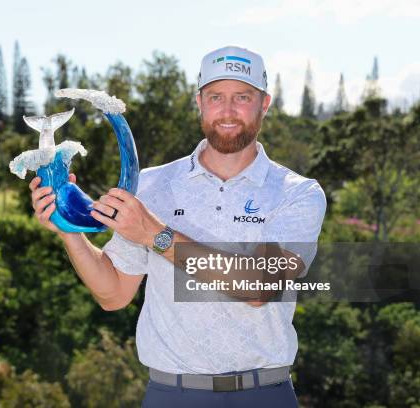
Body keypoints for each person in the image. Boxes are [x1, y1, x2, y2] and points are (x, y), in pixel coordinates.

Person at [29, 45, 326, 407]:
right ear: (199, 102)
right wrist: (68, 228)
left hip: (264, 394)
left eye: (243, 97)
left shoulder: (298, 194)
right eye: (216, 96)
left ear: (264, 105)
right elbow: (113, 294)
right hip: (171, 394)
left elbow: (259, 286)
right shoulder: (151, 186)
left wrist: (156, 235)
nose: (228, 111)